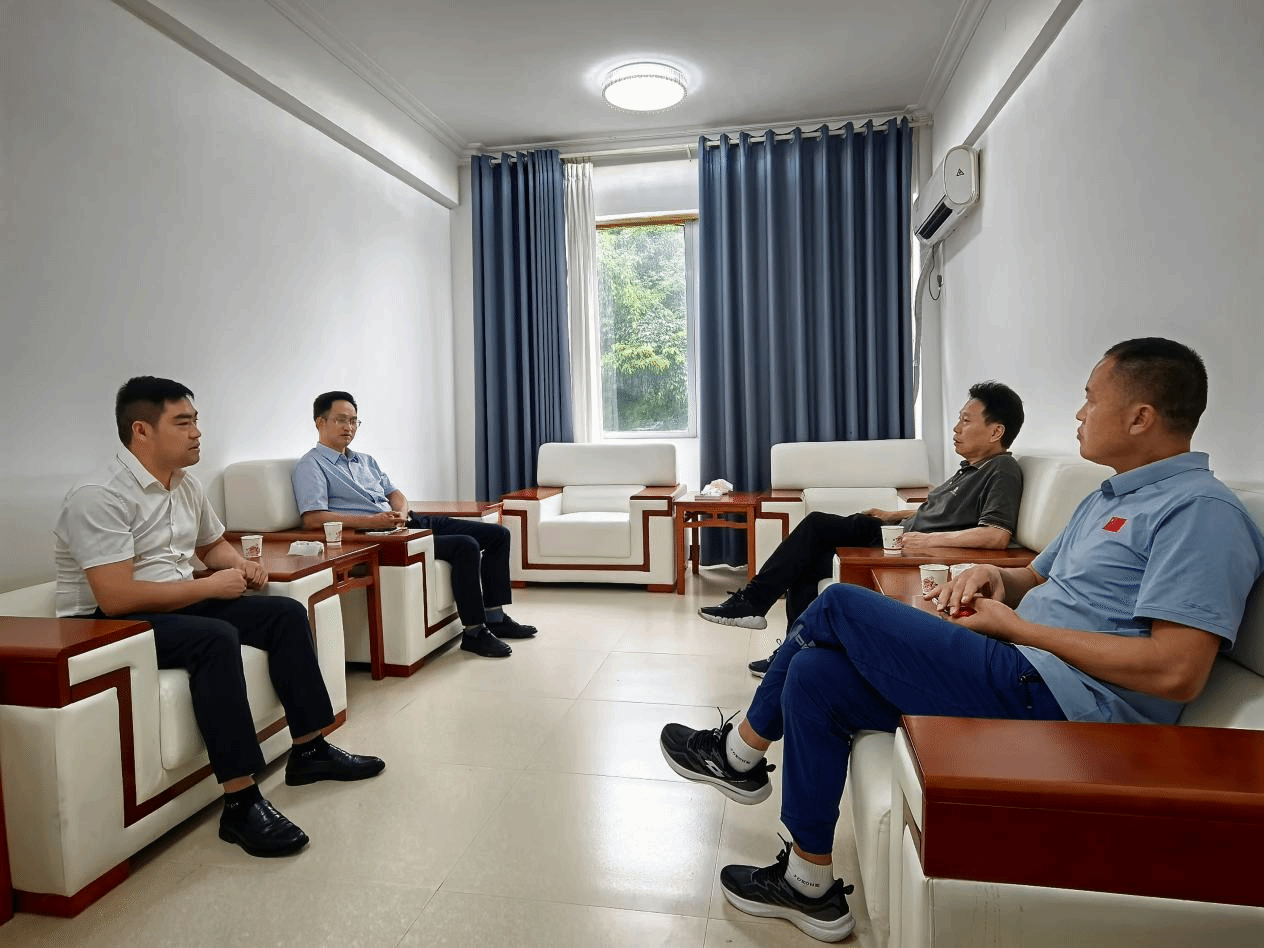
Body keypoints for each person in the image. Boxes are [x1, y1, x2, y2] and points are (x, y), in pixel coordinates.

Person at [660, 338, 1264, 943]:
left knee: (839, 604)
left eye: (1090, 399)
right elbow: (1035, 577)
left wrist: (1020, 628)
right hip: (1019, 668)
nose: (1079, 413)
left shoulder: (1200, 513)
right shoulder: (1111, 496)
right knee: (817, 676)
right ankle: (807, 881)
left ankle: (739, 754)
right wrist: (993, 576)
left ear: (1140, 418)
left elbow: (1176, 671)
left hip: (1067, 707)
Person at [54, 377, 385, 859]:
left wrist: (241, 567)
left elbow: (211, 546)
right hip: (104, 623)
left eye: (196, 421)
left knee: (285, 613)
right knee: (214, 637)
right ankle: (240, 801)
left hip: (174, 600)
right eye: (182, 423)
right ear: (141, 431)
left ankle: (310, 749)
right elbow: (116, 596)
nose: (197, 433)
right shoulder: (99, 495)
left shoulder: (184, 484)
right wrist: (209, 586)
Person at [702, 381, 1026, 677]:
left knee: (816, 525)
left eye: (966, 421)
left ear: (996, 431)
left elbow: (996, 534)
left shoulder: (1002, 470)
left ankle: (752, 603)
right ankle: (789, 653)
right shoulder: (970, 469)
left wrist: (927, 541)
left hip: (904, 547)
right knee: (807, 565)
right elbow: (941, 512)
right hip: (897, 533)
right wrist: (893, 514)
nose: (956, 428)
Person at [291, 391, 535, 659]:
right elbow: (313, 519)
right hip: (377, 535)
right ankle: (474, 632)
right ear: (320, 422)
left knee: (498, 535)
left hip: (407, 522)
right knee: (465, 545)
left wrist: (400, 512)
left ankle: (495, 617)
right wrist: (373, 521)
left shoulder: (365, 460)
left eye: (353, 421)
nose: (349, 427)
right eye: (341, 420)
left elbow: (396, 494)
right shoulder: (311, 466)